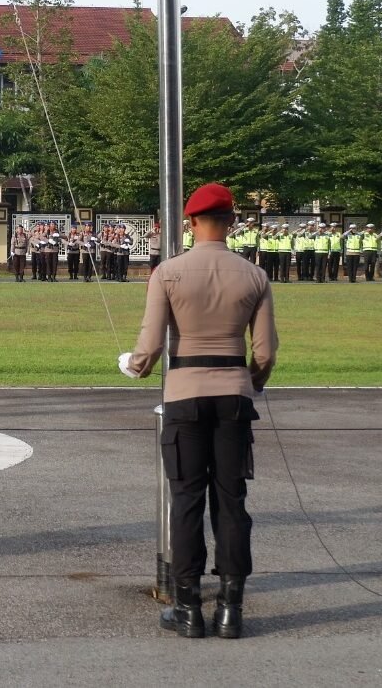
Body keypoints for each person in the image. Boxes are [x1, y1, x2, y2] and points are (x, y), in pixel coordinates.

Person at [120, 183, 276, 639]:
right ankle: (231, 607)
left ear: (190, 223)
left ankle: (188, 607)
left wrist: (133, 366)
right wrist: (253, 382)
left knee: (186, 500)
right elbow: (264, 352)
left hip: (185, 395)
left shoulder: (168, 272)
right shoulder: (253, 275)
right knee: (231, 502)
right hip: (233, 394)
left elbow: (148, 349)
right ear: (231, 221)